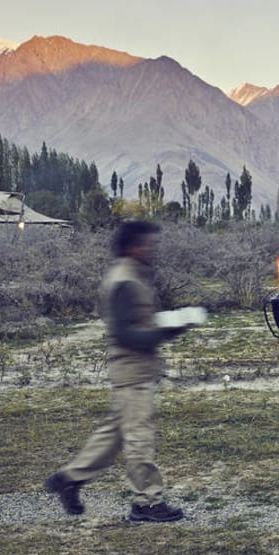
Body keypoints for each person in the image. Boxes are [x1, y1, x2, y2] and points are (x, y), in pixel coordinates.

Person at [45, 219, 194, 523]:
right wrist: (171, 328)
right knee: (139, 438)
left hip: (133, 369)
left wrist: (170, 325)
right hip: (131, 371)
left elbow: (138, 325)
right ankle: (147, 503)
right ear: (132, 245)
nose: (152, 248)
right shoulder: (124, 281)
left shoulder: (130, 275)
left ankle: (70, 478)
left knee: (113, 435)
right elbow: (127, 335)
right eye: (147, 243)